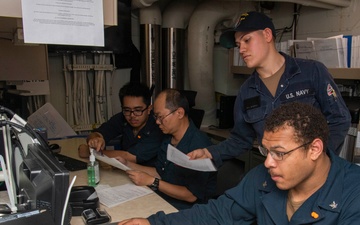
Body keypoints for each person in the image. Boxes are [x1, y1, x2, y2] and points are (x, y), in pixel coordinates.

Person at [117, 102, 360, 225]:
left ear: (314, 149)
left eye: (279, 153)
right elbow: (216, 214)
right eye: (266, 150)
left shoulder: (353, 192)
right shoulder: (262, 178)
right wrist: (153, 222)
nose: (268, 163)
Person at [188, 11, 351, 168]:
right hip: (276, 174)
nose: (241, 49)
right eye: (238, 45)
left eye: (247, 40)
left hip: (315, 177)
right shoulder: (247, 92)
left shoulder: (312, 72)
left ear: (267, 35)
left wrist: (320, 159)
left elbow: (339, 119)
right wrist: (209, 152)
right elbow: (240, 140)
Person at [116, 89, 216, 210]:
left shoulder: (199, 145)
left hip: (188, 211)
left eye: (161, 117)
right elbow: (160, 171)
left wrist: (153, 182)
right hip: (164, 200)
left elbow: (191, 196)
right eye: (156, 117)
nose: (157, 122)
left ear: (179, 113)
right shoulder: (168, 138)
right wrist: (127, 164)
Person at [85, 82, 163, 166]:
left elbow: (130, 157)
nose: (132, 115)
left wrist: (91, 152)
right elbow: (97, 133)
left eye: (138, 110)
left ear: (149, 109)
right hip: (125, 171)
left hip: (149, 175)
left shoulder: (157, 127)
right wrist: (95, 139)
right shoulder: (123, 117)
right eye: (127, 110)